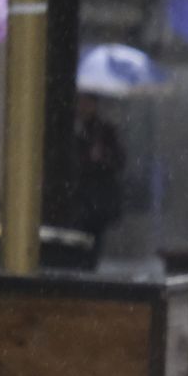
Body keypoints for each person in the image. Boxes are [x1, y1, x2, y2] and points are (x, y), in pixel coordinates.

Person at [71, 93, 127, 259]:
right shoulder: (75, 128)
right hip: (79, 195)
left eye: (87, 103)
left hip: (95, 198)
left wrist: (102, 157)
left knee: (92, 237)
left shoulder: (103, 131)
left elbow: (119, 160)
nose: (84, 107)